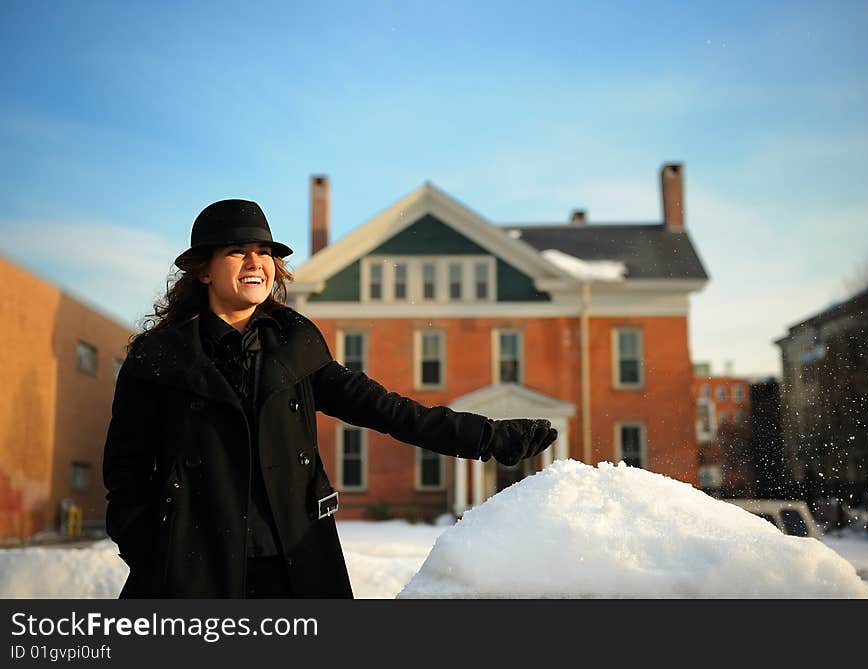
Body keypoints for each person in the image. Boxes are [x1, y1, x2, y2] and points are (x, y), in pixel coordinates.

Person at [102, 199, 557, 598]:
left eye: (263, 253)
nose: (254, 263)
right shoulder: (159, 360)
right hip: (196, 569)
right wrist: (150, 550)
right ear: (203, 269)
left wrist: (487, 437)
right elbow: (126, 471)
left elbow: (388, 410)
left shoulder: (294, 347)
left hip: (294, 564)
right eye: (237, 252)